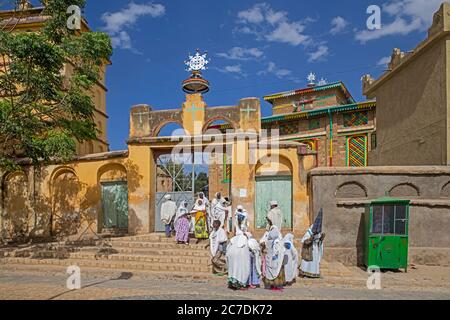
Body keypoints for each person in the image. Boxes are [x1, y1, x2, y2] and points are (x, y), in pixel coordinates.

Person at [299, 209, 325, 279]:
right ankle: (305, 273)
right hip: (309, 250)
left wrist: (321, 239)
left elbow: (319, 242)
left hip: (315, 249)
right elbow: (304, 241)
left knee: (314, 262)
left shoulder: (318, 233)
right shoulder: (309, 232)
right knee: (307, 262)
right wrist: (311, 238)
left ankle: (314, 273)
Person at [262, 218, 285, 291]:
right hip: (276, 258)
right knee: (277, 271)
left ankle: (270, 285)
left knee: (271, 271)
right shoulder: (278, 240)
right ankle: (276, 285)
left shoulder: (268, 239)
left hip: (270, 258)